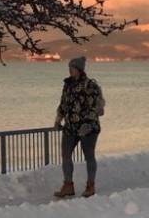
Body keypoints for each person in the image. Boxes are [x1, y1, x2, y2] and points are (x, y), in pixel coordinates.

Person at [53, 56, 104, 198]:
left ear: (79, 69)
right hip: (70, 127)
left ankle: (90, 185)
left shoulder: (90, 85)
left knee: (89, 156)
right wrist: (58, 119)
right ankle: (67, 185)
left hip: (88, 128)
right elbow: (63, 103)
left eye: (72, 67)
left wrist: (87, 124)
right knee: (65, 155)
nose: (70, 70)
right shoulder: (67, 85)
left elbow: (93, 107)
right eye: (69, 67)